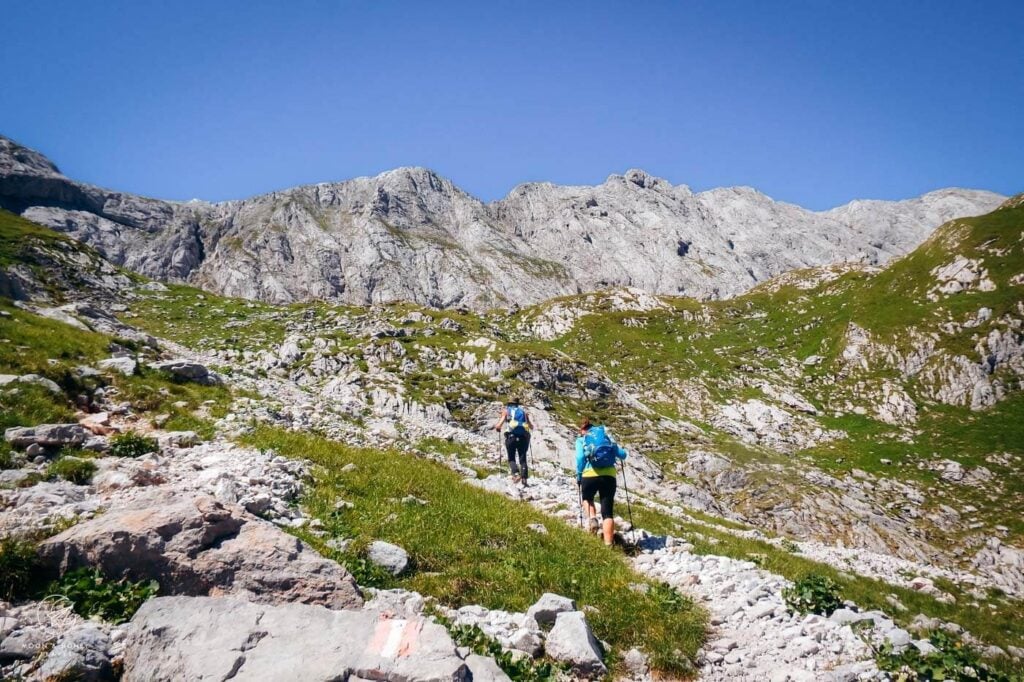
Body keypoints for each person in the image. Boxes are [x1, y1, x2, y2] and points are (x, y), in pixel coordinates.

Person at [575, 418, 627, 546]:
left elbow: (580, 458)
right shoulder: (606, 438)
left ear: (582, 430)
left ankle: (592, 518)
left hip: (589, 474)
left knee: (587, 499)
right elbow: (623, 455)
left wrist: (579, 475)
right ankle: (608, 545)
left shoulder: (581, 439)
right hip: (609, 476)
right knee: (607, 512)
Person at [494, 398, 533, 486]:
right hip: (523, 438)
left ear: (509, 404)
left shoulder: (506, 411)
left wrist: (498, 427)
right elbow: (531, 426)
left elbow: (499, 425)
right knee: (522, 458)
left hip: (511, 437)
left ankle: (516, 474)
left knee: (511, 458)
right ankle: (524, 479)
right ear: (517, 404)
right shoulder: (523, 412)